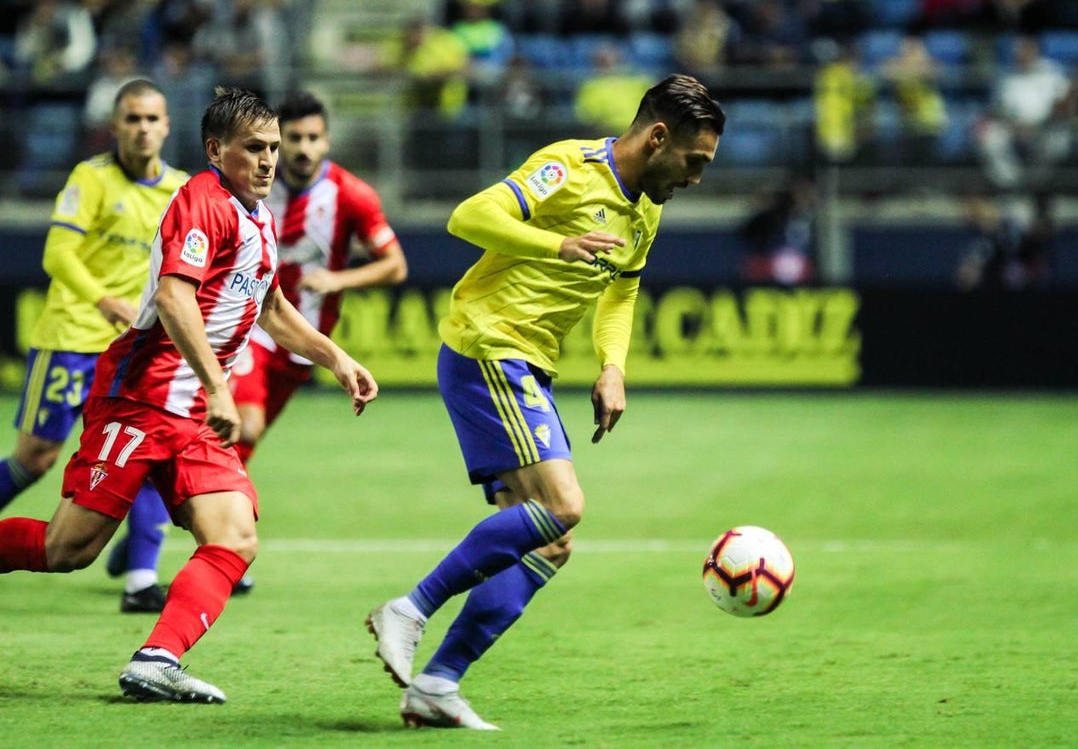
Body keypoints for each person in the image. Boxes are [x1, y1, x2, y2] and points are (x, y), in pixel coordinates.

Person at [365, 73, 724, 730]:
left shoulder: (647, 207)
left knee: (549, 543)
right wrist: (557, 241)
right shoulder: (568, 167)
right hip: (489, 344)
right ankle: (410, 608)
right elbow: (468, 216)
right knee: (564, 507)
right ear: (658, 137)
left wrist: (613, 366)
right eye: (695, 162)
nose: (697, 177)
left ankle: (437, 683)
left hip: (530, 362)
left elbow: (621, 292)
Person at [0, 86, 378, 704]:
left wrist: (337, 358)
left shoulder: (259, 214)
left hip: (195, 413)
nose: (268, 161)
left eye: (274, 148)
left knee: (235, 536)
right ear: (214, 149)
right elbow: (176, 298)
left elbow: (273, 307)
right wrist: (218, 386)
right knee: (66, 549)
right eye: (253, 148)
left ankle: (157, 659)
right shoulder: (201, 201)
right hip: (143, 400)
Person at [0, 78, 186, 614]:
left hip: (131, 352)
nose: (143, 128)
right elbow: (58, 255)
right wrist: (104, 300)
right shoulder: (91, 178)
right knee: (36, 458)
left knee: (147, 450)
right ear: (115, 126)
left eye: (152, 118)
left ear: (167, 125)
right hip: (73, 338)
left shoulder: (180, 189)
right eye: (132, 119)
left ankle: (141, 580)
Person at [229, 90, 407, 466]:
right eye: (294, 139)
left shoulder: (351, 194)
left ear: (326, 141)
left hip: (303, 341)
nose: (303, 149)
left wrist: (337, 281)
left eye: (313, 138)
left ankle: (205, 507)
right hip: (250, 328)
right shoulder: (253, 184)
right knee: (243, 425)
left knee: (245, 441)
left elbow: (395, 265)